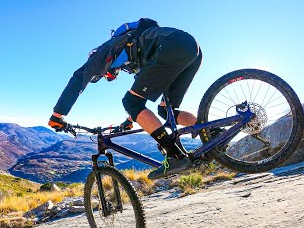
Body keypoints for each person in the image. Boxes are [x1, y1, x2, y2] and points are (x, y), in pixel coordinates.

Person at [48, 18, 203, 179]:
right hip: (191, 48)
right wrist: (130, 120)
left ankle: (175, 156)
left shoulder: (106, 50)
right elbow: (140, 91)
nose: (108, 76)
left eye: (104, 75)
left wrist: (57, 115)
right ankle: (210, 133)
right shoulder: (136, 48)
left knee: (129, 102)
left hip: (171, 46)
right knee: (165, 110)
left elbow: (79, 77)